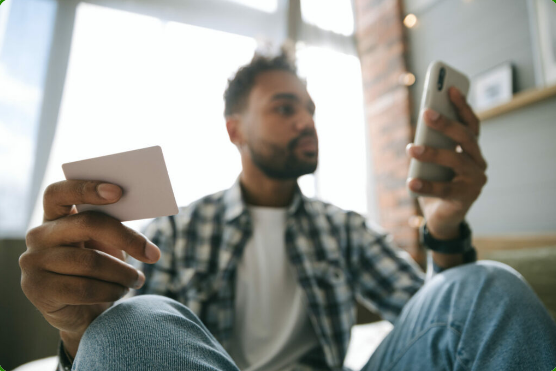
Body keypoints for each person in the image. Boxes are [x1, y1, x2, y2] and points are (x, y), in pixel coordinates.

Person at [20, 50, 556, 371]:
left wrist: (443, 226)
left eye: (311, 110)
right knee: (131, 319)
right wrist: (79, 332)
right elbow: (142, 349)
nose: (307, 122)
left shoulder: (341, 227)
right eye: (285, 108)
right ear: (235, 130)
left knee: (489, 283)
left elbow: (447, 320)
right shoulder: (179, 231)